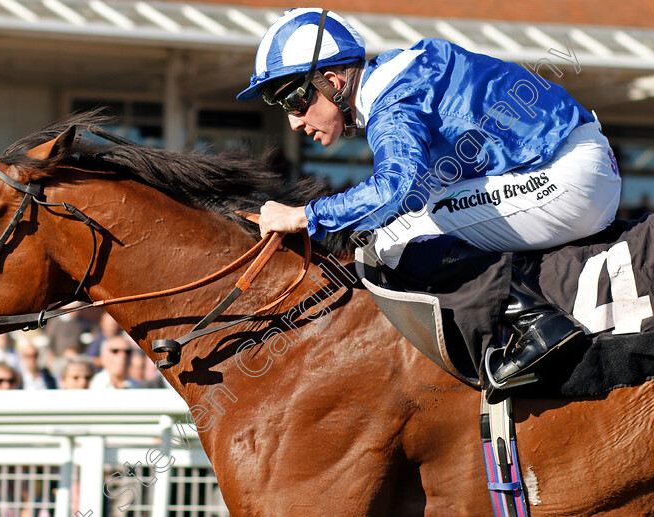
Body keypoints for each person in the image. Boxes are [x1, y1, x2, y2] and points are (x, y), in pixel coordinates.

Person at [238, 8, 621, 384]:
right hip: (574, 160)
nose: (292, 120)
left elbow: (394, 188)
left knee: (394, 241)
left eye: (294, 100)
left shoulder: (394, 103)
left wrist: (304, 215)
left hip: (569, 175)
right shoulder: (401, 74)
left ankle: (539, 323)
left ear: (333, 82)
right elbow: (415, 188)